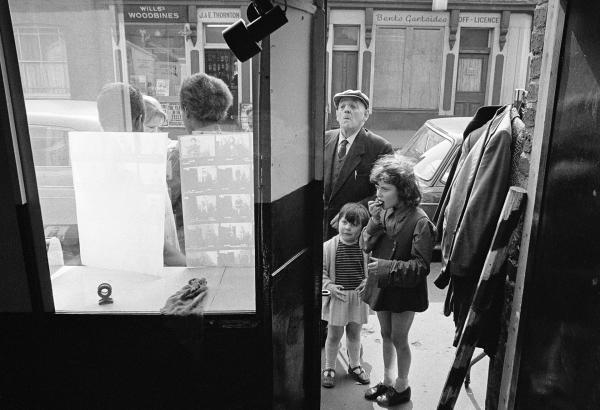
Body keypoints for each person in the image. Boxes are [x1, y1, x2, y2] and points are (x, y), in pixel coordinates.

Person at [360, 154, 435, 406]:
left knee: (400, 338)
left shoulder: (420, 222)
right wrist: (373, 221)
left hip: (404, 290)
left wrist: (385, 266)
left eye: (385, 188)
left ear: (402, 191)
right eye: (377, 187)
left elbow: (421, 266)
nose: (378, 193)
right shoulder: (384, 213)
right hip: (383, 286)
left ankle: (403, 386)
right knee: (385, 333)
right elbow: (364, 244)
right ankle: (388, 380)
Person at [96, 82, 185, 266]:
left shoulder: (96, 161)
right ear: (139, 121)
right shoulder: (130, 171)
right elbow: (161, 250)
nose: (157, 134)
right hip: (147, 272)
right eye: (151, 127)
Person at [168, 73, 233, 245]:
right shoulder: (234, 146)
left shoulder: (181, 154)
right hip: (229, 240)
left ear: (187, 111)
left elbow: (166, 203)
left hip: (192, 246)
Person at [323, 89, 393, 240]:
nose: (346, 110)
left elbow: (386, 193)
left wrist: (354, 211)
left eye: (353, 107)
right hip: (321, 231)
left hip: (356, 232)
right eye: (342, 107)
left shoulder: (380, 147)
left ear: (366, 115)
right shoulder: (324, 140)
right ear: (336, 114)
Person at [321, 202, 371, 389]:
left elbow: (373, 270)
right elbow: (321, 272)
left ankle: (355, 365)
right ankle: (329, 367)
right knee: (333, 335)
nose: (347, 227)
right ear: (338, 222)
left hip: (358, 299)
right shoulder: (328, 247)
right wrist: (330, 287)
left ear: (362, 228)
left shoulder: (366, 248)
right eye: (344, 222)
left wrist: (368, 281)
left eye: (353, 224)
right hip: (338, 299)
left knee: (354, 334)